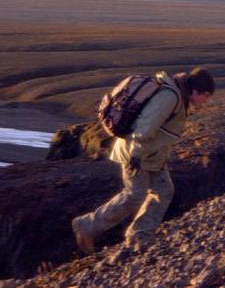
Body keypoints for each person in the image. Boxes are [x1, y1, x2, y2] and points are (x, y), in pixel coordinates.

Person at [72, 67, 215, 253]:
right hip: (137, 154)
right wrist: (136, 156)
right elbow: (144, 128)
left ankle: (140, 236)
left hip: (153, 157)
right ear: (196, 91)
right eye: (206, 96)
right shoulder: (170, 97)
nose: (206, 102)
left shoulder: (178, 97)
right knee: (134, 195)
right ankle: (86, 226)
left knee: (163, 191)